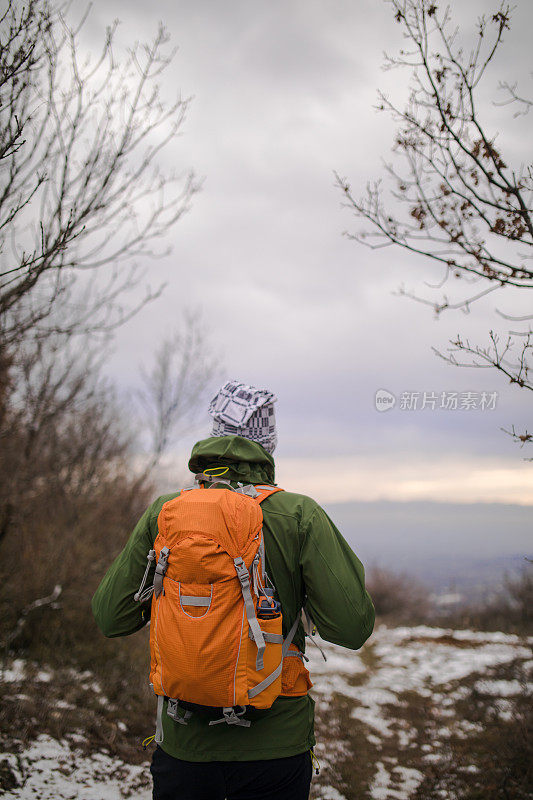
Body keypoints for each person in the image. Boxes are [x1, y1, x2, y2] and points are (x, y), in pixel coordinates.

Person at [92, 380, 375, 800]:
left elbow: (111, 617)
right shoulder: (298, 514)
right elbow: (351, 628)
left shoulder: (165, 513)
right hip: (276, 743)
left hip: (184, 745)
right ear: (268, 444)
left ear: (214, 433)